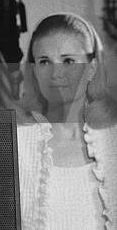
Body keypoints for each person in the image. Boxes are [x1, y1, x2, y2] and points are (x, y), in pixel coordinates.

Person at [15, 13, 117, 229]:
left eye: (68, 61)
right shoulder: (14, 142)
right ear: (34, 71)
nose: (56, 74)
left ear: (92, 68)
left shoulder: (113, 140)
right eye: (44, 62)